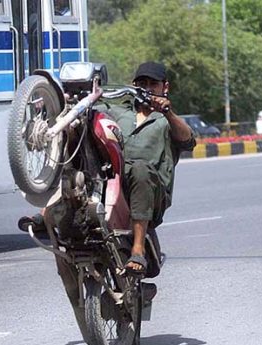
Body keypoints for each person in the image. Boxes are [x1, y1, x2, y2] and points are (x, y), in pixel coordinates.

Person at [18, 61, 195, 277]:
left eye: (153, 84)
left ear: (164, 87)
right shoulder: (118, 110)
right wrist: (63, 104)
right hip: (111, 179)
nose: (147, 88)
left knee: (139, 168)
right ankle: (47, 213)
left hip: (149, 192)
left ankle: (138, 249)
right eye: (142, 83)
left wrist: (167, 111)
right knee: (75, 142)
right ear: (133, 85)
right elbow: (85, 112)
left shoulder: (166, 121)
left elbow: (188, 140)